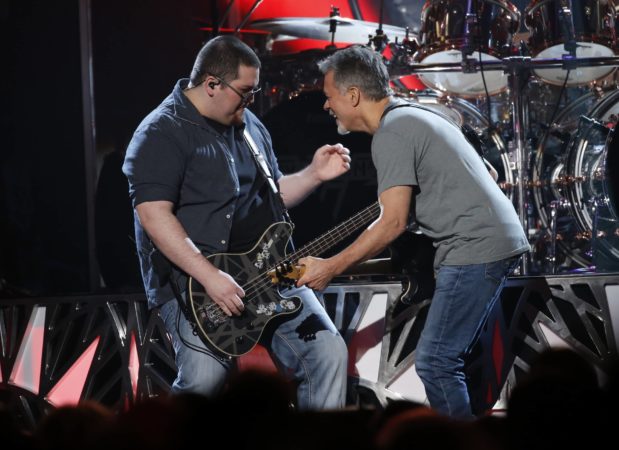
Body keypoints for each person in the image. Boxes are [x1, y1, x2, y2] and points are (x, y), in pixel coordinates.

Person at [297, 45, 530, 419]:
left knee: (437, 361)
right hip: (487, 243)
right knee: (445, 359)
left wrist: (330, 266)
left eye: (329, 97)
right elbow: (489, 174)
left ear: (352, 95)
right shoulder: (421, 114)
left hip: (474, 248)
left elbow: (392, 222)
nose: (327, 106)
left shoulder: (392, 132)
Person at [122, 35, 350, 410]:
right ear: (212, 84)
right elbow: (153, 215)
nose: (252, 101)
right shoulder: (160, 132)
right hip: (196, 284)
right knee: (204, 381)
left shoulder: (249, 125)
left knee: (327, 352)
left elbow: (272, 196)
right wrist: (210, 277)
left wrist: (313, 174)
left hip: (269, 270)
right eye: (245, 92)